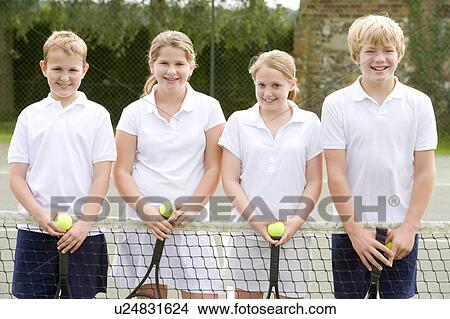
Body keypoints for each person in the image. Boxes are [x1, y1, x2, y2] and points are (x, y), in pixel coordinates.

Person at [321, 14, 437, 298]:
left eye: (388, 50)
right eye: (370, 51)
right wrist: (355, 230)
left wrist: (409, 227)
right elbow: (335, 172)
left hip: (400, 234)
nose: (379, 58)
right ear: (356, 55)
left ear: (399, 53)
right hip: (350, 233)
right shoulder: (336, 104)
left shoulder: (419, 103)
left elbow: (425, 171)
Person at [112, 30, 225, 299]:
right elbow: (121, 171)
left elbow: (214, 167)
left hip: (192, 224)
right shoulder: (133, 112)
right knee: (150, 303)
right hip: (143, 224)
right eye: (164, 63)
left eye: (179, 64)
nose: (171, 71)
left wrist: (195, 203)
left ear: (191, 66)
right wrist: (145, 210)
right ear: (152, 65)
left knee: (204, 303)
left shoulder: (209, 108)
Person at [8, 31, 116, 298]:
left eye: (72, 69)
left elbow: (102, 177)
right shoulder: (29, 115)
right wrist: (42, 217)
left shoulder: (98, 115)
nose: (65, 77)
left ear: (85, 70)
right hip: (35, 230)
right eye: (57, 68)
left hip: (84, 234)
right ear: (44, 68)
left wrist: (83, 224)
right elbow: (17, 178)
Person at [219, 50, 323, 298]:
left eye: (276, 85)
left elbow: (315, 180)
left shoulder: (310, 122)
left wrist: (294, 224)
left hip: (295, 235)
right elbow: (230, 180)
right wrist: (257, 222)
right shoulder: (238, 121)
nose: (267, 92)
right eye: (261, 84)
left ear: (292, 84)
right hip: (246, 232)